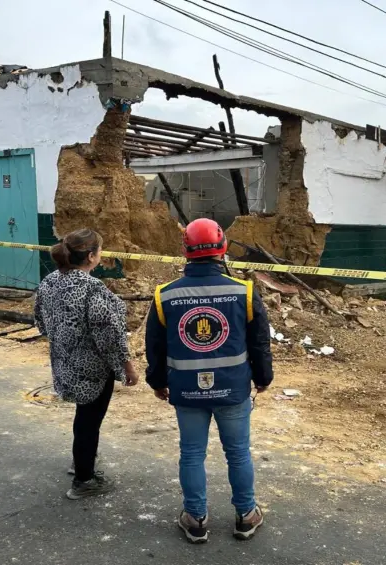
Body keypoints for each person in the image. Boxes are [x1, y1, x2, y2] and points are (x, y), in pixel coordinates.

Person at [145, 218, 273, 544]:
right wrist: (262, 378)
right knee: (238, 453)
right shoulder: (244, 292)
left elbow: (156, 348)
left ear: (185, 251)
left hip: (187, 390)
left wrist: (157, 381)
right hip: (233, 388)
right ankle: (246, 515)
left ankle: (196, 518)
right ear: (223, 248)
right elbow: (259, 342)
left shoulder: (165, 296)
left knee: (191, 454)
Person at [34, 228, 139, 500]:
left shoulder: (49, 282)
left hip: (64, 363)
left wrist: (63, 342)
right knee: (89, 422)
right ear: (91, 256)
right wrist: (126, 365)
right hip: (92, 370)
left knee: (84, 419)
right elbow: (110, 335)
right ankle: (84, 479)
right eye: (100, 251)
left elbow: (40, 322)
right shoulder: (92, 289)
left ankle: (81, 461)